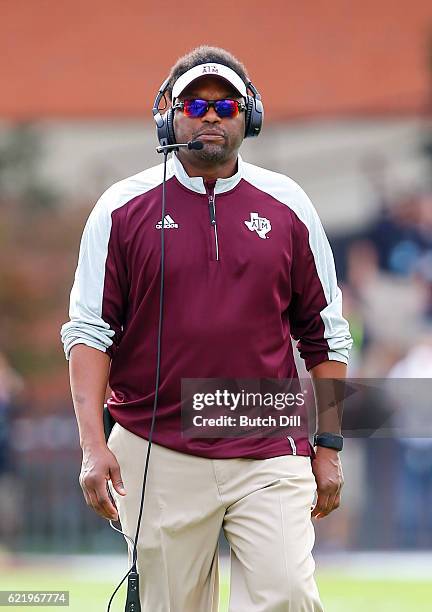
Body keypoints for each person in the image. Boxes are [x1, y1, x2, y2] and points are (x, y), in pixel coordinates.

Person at [60, 46, 352, 612]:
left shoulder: (289, 205)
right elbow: (88, 333)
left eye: (227, 104)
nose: (212, 115)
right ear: (169, 115)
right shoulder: (121, 209)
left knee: (291, 595)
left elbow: (327, 336)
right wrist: (92, 446)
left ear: (250, 116)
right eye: (196, 103)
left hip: (268, 440)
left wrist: (331, 445)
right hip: (156, 446)